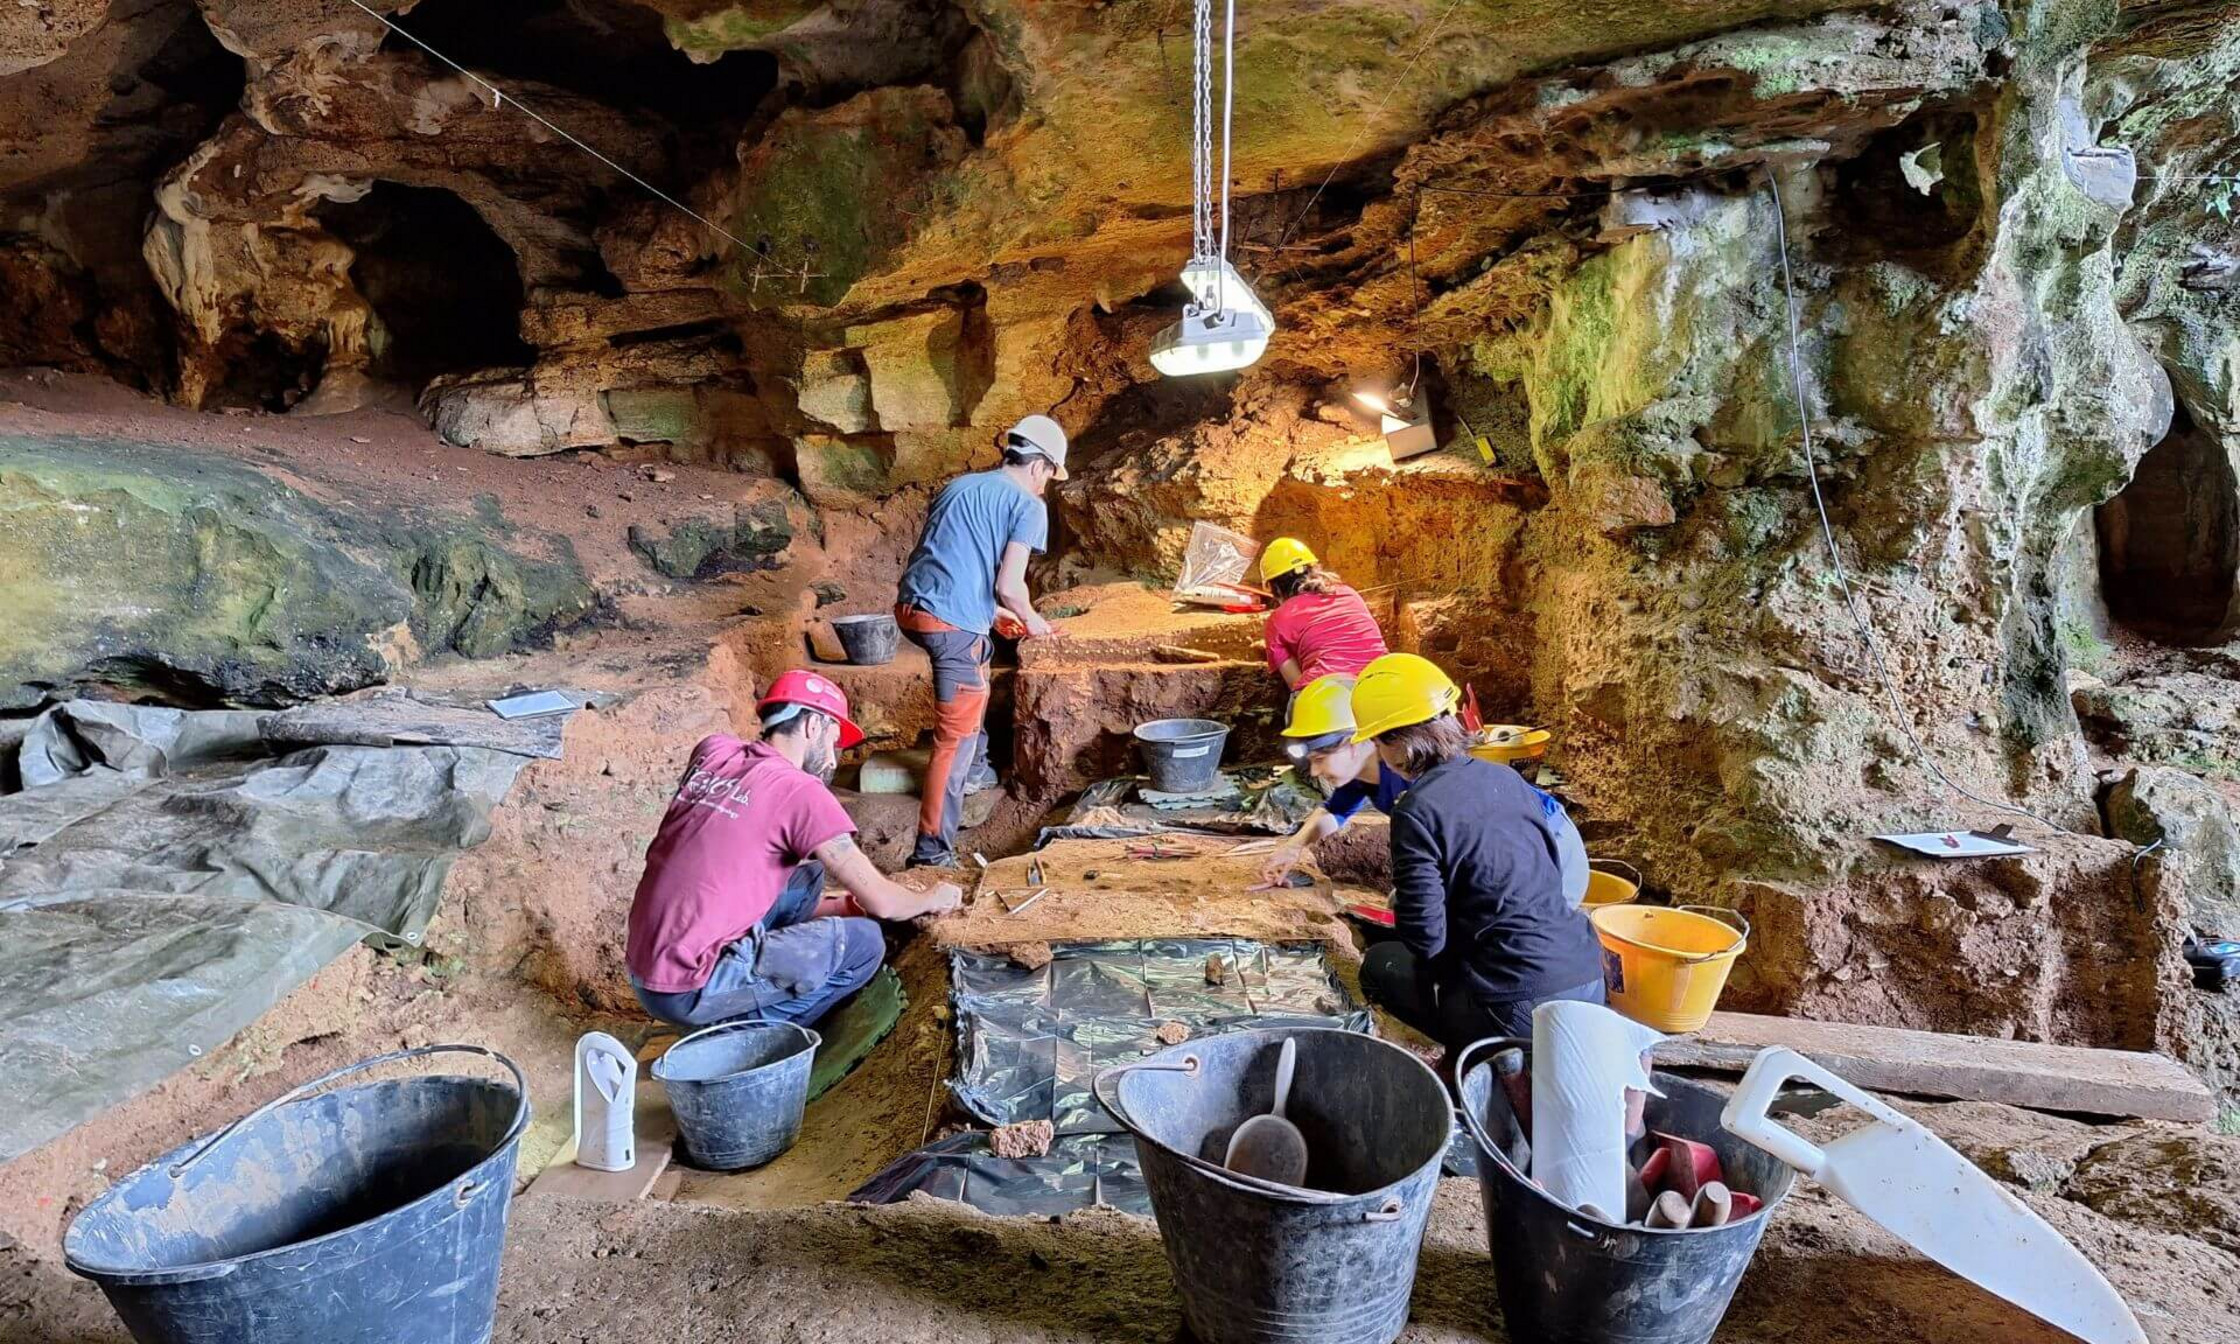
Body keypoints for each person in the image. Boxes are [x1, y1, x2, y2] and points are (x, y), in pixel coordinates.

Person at [627, 670, 962, 1030]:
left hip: (645, 966)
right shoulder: (801, 792)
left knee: (807, 877)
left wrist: (841, 905)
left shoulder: (713, 752)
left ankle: (752, 979)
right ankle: (751, 1034)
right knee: (866, 944)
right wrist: (932, 897)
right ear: (812, 726)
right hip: (689, 987)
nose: (833, 760)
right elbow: (885, 903)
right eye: (834, 742)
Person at [1346, 653, 1606, 1056]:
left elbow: (1426, 940)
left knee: (1380, 965)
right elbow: (1547, 876)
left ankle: (1470, 1060)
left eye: (1377, 741)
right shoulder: (1505, 777)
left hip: (1517, 1005)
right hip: (1586, 979)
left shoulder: (1416, 809)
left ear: (1394, 744)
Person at [893, 414, 1067, 868]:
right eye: (1049, 476)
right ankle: (931, 853)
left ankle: (976, 770)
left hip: (913, 610)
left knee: (977, 676)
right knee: (954, 741)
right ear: (1039, 466)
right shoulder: (1028, 504)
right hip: (951, 627)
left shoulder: (961, 486)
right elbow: (1011, 583)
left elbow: (946, 563)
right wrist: (1033, 621)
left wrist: (991, 614)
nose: (1046, 486)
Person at [1259, 675, 1593, 909]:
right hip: (1515, 849)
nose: (1316, 772)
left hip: (1545, 850)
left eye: (1320, 759)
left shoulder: (1421, 782)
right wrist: (1292, 847)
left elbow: (1474, 858)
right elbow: (1334, 812)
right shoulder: (1367, 770)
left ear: (1358, 742)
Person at [1258, 538, 1389, 693]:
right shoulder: (1349, 593)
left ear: (1273, 587)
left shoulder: (1278, 619)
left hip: (1329, 692)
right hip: (1382, 679)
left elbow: (1295, 684)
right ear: (1314, 569)